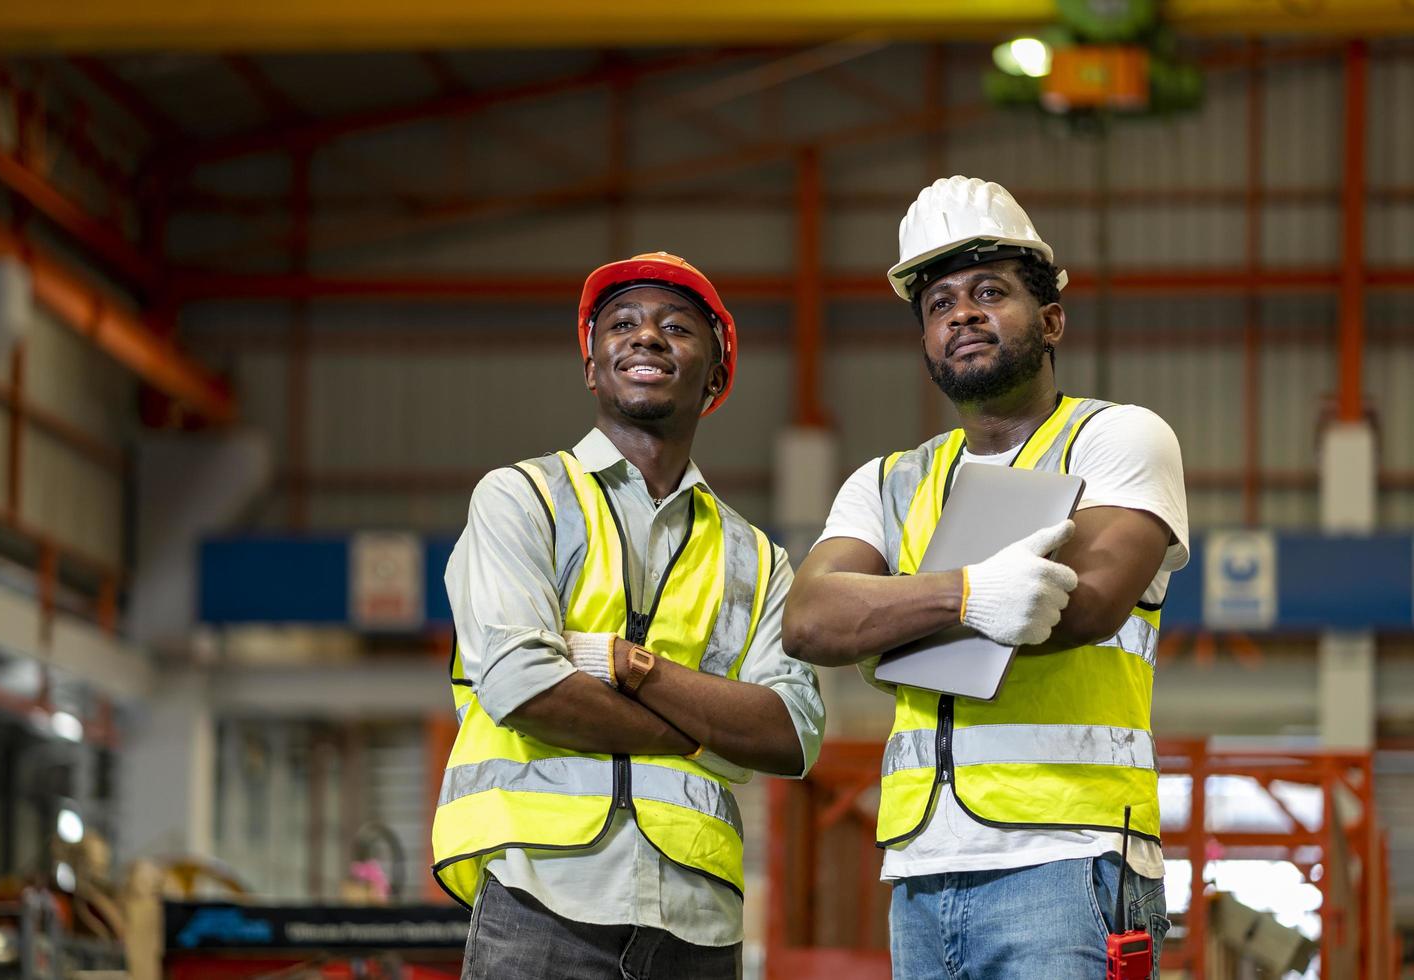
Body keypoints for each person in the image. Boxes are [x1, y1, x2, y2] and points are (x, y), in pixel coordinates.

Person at [783, 176, 1188, 979]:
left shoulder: (1116, 441)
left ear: (1052, 320)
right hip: (920, 870)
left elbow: (1084, 603)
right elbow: (810, 623)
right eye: (938, 304)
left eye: (989, 292)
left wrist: (889, 617)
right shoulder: (889, 481)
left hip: (1074, 857)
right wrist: (969, 596)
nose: (960, 313)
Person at [432, 251, 825, 980]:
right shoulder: (522, 499)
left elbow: (791, 733)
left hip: (697, 922)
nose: (646, 336)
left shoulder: (757, 558)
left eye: (676, 326)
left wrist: (627, 665)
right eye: (622, 323)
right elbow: (524, 684)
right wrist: (701, 736)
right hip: (541, 900)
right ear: (592, 366)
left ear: (715, 377)